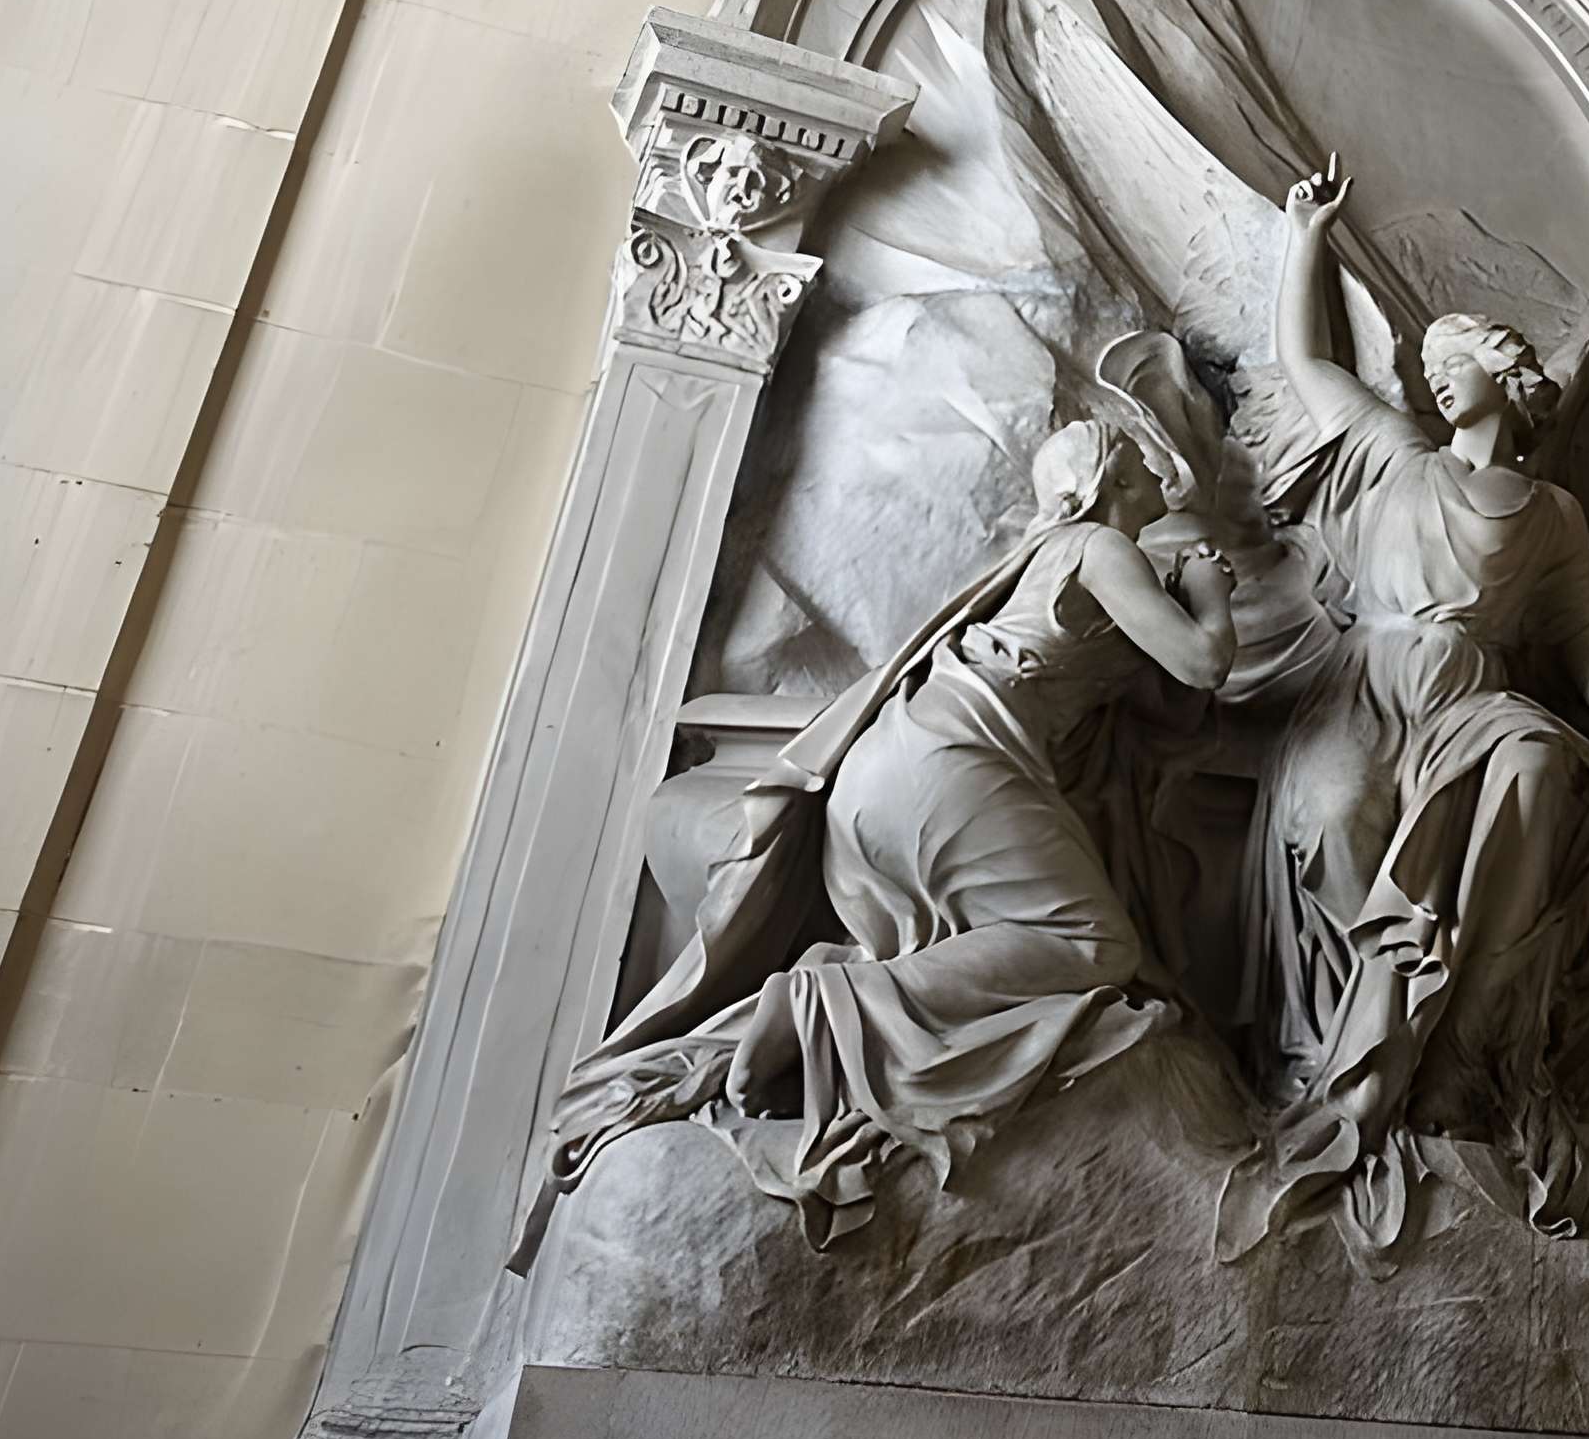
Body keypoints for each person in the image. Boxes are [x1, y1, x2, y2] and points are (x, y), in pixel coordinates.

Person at [524, 400, 1253, 1255]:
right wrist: (1209, 592)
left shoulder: (1041, 564)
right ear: (1112, 480)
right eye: (1133, 453)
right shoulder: (1098, 546)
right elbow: (1203, 662)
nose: (1150, 467)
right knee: (1094, 946)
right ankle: (823, 1001)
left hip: (891, 768)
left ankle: (823, 1008)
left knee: (995, 954)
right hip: (955, 763)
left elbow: (1148, 704)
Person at [1228, 162, 1589, 1260]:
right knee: (1336, 812)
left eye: (1454, 361)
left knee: (1533, 752)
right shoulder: (1395, 454)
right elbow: (1308, 361)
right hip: (1364, 690)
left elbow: (1586, 653)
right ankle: (1354, 1054)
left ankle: (1468, 1043)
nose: (1436, 380)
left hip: (1465, 705)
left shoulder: (1554, 516)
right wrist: (1307, 238)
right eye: (1428, 368)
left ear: (1506, 371)